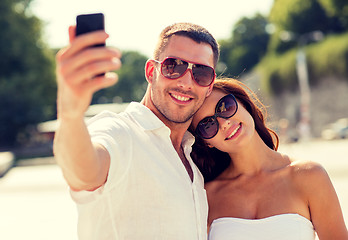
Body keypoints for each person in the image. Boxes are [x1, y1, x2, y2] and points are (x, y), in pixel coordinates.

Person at [54, 22, 219, 240]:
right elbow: (83, 172)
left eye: (201, 73)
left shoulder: (193, 163)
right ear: (152, 72)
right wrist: (70, 115)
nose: (186, 82)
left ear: (210, 86)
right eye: (174, 66)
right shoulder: (121, 133)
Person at [190, 78, 348, 240]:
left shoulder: (309, 176)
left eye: (225, 107)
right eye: (207, 125)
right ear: (206, 142)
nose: (224, 123)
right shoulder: (207, 196)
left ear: (244, 104)